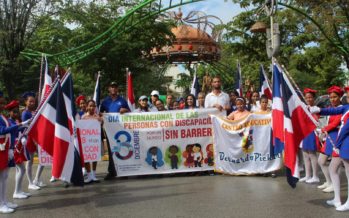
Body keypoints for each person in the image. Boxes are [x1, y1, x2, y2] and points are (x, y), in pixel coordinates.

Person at [310, 86, 349, 211]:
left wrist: (337, 145)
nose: (348, 99)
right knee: (332, 168)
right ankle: (337, 199)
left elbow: (345, 129)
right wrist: (317, 109)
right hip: (341, 143)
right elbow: (332, 111)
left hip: (344, 143)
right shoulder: (346, 108)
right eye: (347, 96)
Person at [0, 92, 28, 213]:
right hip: (1, 148)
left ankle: (4, 201)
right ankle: (1, 204)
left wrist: (23, 126)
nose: (2, 105)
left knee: (5, 177)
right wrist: (21, 124)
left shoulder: (2, 116)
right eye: (0, 102)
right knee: (1, 178)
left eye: (2, 102)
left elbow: (10, 130)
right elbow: (2, 130)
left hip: (5, 148)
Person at [100, 82, 130, 180]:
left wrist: (125, 110)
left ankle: (123, 171)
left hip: (121, 130)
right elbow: (100, 114)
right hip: (110, 130)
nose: (113, 88)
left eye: (115, 87)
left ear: (117, 89)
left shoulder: (122, 100)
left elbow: (130, 112)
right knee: (111, 150)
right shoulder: (105, 102)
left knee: (122, 149)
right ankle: (112, 171)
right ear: (109, 89)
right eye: (112, 87)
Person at [316, 86, 342, 195]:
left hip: (337, 137)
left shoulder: (342, 108)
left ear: (339, 97)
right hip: (329, 137)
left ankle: (334, 185)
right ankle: (328, 181)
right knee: (321, 161)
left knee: (335, 164)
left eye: (335, 97)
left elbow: (335, 123)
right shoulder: (330, 108)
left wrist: (322, 130)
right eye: (331, 97)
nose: (333, 99)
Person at [4, 101, 30, 199]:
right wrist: (23, 125)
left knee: (20, 170)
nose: (16, 113)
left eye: (17, 111)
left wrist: (25, 126)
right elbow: (14, 130)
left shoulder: (15, 121)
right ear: (10, 112)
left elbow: (19, 129)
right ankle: (16, 191)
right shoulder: (9, 122)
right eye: (14, 112)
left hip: (18, 146)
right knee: (22, 169)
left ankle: (18, 190)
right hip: (14, 147)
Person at [22, 92, 43, 190]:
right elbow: (27, 128)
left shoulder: (35, 111)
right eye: (30, 101)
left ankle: (36, 179)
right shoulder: (25, 113)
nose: (32, 103)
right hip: (30, 138)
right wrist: (34, 140)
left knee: (43, 159)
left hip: (38, 138)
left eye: (33, 101)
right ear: (26, 102)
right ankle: (30, 182)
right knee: (30, 161)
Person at [299, 88, 320, 184]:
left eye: (310, 97)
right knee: (305, 154)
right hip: (304, 132)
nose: (308, 99)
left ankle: (315, 176)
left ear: (314, 98)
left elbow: (315, 120)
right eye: (307, 98)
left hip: (312, 132)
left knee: (312, 154)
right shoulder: (304, 107)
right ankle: (308, 175)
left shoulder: (316, 108)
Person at [82, 100, 102, 183]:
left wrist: (101, 120)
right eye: (90, 106)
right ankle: (89, 175)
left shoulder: (97, 117)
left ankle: (93, 175)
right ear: (87, 107)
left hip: (95, 141)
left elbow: (101, 126)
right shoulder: (83, 117)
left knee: (95, 157)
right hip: (86, 141)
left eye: (93, 106)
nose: (92, 107)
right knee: (86, 157)